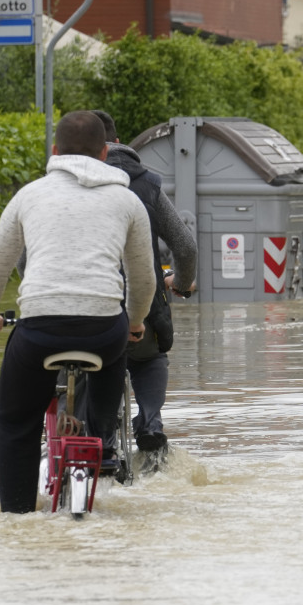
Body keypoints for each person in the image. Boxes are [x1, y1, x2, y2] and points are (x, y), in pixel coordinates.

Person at [0, 111, 155, 513]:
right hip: (104, 331)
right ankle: (101, 438)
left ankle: (17, 514)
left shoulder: (29, 195)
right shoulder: (128, 200)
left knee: (16, 423)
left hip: (39, 331)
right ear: (105, 153)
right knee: (116, 350)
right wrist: (135, 322)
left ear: (55, 151)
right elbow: (144, 280)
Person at [93, 110, 197, 458]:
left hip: (78, 310)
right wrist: (181, 283)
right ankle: (151, 421)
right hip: (141, 309)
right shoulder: (147, 183)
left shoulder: (59, 186)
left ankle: (90, 433)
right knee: (149, 358)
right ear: (117, 143)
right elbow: (184, 246)